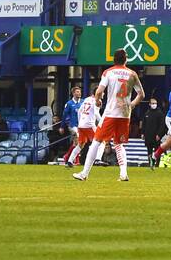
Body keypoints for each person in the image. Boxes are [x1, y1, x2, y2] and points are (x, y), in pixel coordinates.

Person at [74, 49, 144, 182]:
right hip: (125, 114)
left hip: (111, 113)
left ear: (114, 59)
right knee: (119, 144)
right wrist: (131, 105)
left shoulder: (108, 72)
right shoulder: (132, 74)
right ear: (126, 59)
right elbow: (141, 94)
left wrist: (98, 101)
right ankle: (123, 174)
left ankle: (84, 173)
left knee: (96, 141)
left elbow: (99, 91)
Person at [63, 86, 101, 168]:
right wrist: (102, 123)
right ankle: (98, 159)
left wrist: (80, 121)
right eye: (102, 92)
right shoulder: (97, 101)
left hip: (81, 125)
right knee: (100, 141)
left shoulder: (86, 99)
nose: (103, 94)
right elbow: (96, 114)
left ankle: (70, 160)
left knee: (81, 144)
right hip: (89, 125)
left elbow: (80, 111)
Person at [140, 94, 166, 161]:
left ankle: (157, 165)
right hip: (148, 136)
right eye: (153, 103)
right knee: (149, 151)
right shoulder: (147, 113)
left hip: (156, 136)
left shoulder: (160, 113)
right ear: (149, 104)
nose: (154, 104)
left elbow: (162, 125)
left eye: (155, 103)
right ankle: (150, 164)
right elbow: (144, 124)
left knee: (157, 151)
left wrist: (159, 134)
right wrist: (142, 133)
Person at [60, 85, 82, 161]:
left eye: (79, 92)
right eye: (77, 92)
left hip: (81, 125)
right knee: (78, 140)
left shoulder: (83, 102)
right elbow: (64, 115)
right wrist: (62, 126)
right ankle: (76, 160)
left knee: (76, 143)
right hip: (72, 125)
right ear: (73, 93)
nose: (79, 93)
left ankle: (67, 156)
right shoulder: (69, 104)